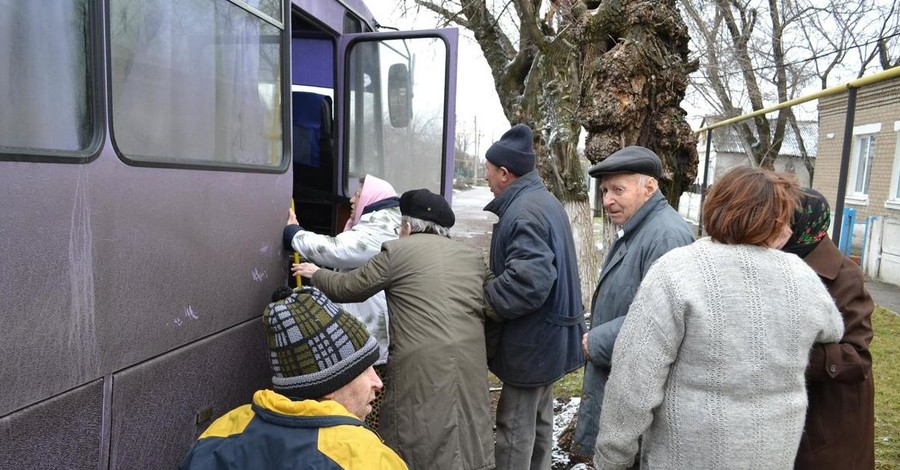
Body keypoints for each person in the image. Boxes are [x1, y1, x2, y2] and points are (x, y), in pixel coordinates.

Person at [593, 166, 845, 470]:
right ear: (778, 218)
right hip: (770, 455)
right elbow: (833, 327)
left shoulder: (676, 271)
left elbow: (634, 381)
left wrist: (612, 458)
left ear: (714, 206)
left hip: (686, 457)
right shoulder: (799, 275)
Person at [295, 188, 494, 470]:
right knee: (463, 423)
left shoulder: (397, 252)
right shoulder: (470, 257)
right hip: (470, 357)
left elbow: (349, 287)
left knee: (415, 428)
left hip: (419, 361)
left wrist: (317, 273)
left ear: (408, 226)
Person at [179, 286, 407, 470]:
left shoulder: (219, 434)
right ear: (329, 384)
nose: (378, 383)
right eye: (365, 370)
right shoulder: (366, 459)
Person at [571, 146, 694, 459]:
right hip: (624, 382)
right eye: (605, 191)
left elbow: (666, 319)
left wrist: (598, 340)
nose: (608, 200)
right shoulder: (639, 229)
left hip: (638, 397)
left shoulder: (665, 236)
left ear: (649, 187)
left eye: (618, 190)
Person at [481, 124, 585, 470]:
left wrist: (484, 298)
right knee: (539, 422)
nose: (486, 178)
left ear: (505, 173)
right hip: (550, 337)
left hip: (533, 341)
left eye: (489, 171)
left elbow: (529, 283)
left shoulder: (523, 210)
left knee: (515, 428)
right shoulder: (542, 201)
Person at [284, 174, 399, 429]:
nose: (351, 198)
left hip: (372, 340)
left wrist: (294, 233)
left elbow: (337, 249)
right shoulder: (380, 225)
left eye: (358, 195)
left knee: (367, 405)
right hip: (369, 334)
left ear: (371, 199)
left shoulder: (378, 230)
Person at [783, 188, 875, 469]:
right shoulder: (783, 261)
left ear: (803, 223)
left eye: (784, 220)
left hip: (829, 420)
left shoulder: (843, 274)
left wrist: (788, 354)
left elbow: (857, 358)